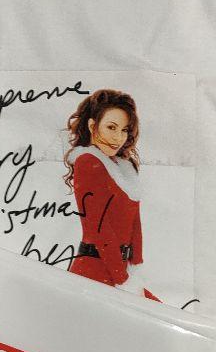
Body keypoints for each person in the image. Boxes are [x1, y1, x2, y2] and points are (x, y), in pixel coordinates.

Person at [61, 88, 161, 301]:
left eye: (124, 130)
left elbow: (135, 224)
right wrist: (122, 280)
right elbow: (98, 228)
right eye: (111, 127)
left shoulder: (124, 168)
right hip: (95, 272)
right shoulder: (88, 161)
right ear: (92, 126)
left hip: (120, 272)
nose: (118, 138)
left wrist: (135, 268)